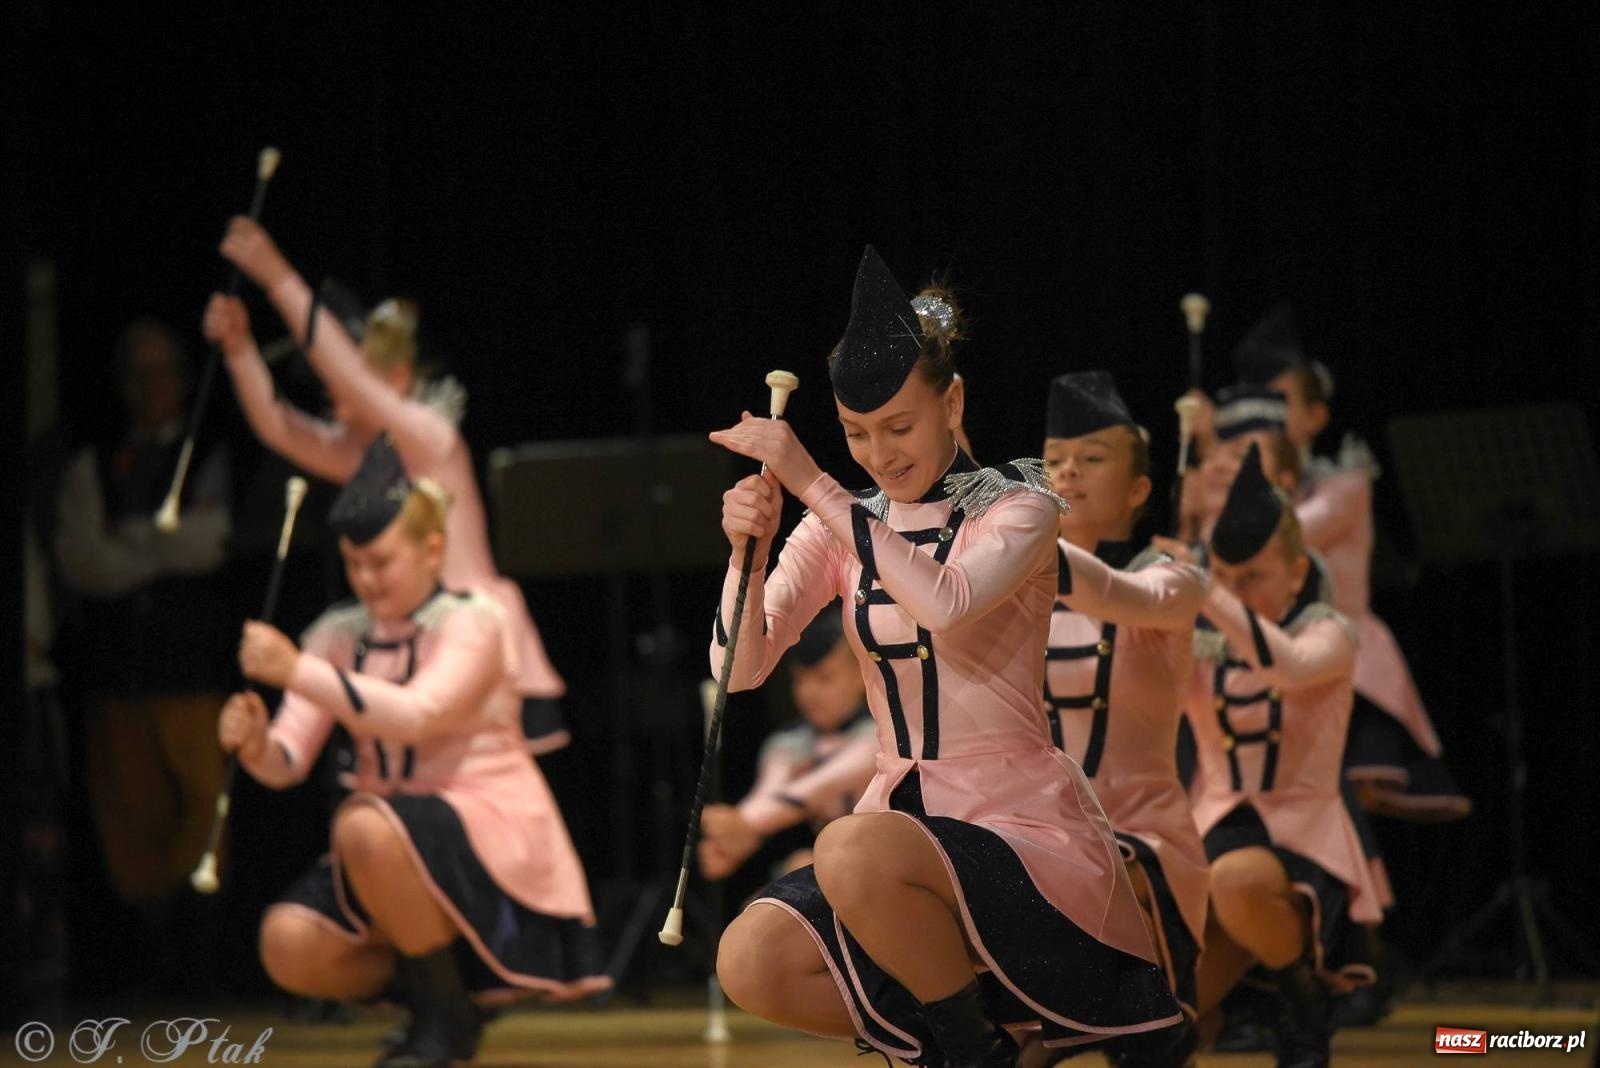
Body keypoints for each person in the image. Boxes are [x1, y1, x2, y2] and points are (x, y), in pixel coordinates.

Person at [706, 247, 1181, 1067]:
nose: (880, 455)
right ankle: (972, 1049)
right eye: (856, 433)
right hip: (898, 826)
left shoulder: (1021, 506)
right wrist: (743, 555)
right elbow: (738, 671)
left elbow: (947, 601)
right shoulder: (836, 523)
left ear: (952, 401)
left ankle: (968, 1055)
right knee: (750, 959)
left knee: (851, 846)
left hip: (1015, 823)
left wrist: (814, 481)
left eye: (900, 427)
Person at [223, 443, 608, 1067]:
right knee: (287, 943)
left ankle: (443, 1022)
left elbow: (418, 715)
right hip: (382, 843)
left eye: (381, 562)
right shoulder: (336, 633)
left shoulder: (475, 622)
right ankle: (443, 1002)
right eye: (353, 564)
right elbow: (288, 761)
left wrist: (296, 671)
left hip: (482, 822)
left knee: (363, 823)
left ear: (433, 551)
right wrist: (256, 742)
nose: (366, 579)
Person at [204, 217, 568, 755]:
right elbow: (279, 428)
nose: (339, 406)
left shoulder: (432, 438)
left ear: (398, 378)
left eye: (345, 389)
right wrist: (239, 350)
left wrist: (278, 277)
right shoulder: (365, 456)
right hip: (409, 638)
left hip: (473, 637)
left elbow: (349, 377)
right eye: (330, 395)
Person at [1184, 444, 1382, 1068]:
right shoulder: (1201, 641)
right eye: (1225, 575)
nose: (1235, 591)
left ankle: (1302, 999)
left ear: (1297, 574)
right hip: (1216, 826)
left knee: (1237, 882)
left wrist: (1206, 589)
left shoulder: (1329, 633)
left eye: (1253, 578)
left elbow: (1287, 666)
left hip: (1303, 836)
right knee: (1166, 1027)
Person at [1232, 305, 1468, 823]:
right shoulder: (1240, 494)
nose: (1266, 414)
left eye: (1280, 401)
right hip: (1278, 659)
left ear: (1316, 416)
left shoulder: (1345, 486)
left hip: (1348, 658)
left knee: (1343, 802)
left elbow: (1278, 539)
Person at [53, 318, 232, 990]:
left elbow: (209, 542)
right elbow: (82, 559)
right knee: (131, 818)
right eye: (139, 373)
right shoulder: (94, 462)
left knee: (205, 805)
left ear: (183, 380)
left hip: (192, 669)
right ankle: (154, 959)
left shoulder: (207, 452)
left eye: (164, 371)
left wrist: (131, 540)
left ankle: (200, 956)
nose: (152, 386)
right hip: (118, 672)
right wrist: (158, 547)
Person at [1038, 371, 1211, 1064]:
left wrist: (1013, 534)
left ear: (1139, 490)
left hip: (1144, 836)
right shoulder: (1013, 586)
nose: (1067, 471)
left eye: (1091, 457)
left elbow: (1111, 592)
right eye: (1054, 458)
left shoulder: (1172, 580)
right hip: (1035, 832)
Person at [698, 609, 877, 882]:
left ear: (860, 673)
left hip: (887, 861)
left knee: (807, 865)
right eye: (799, 679)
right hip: (835, 862)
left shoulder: (880, 737)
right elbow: (771, 793)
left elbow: (819, 786)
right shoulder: (788, 742)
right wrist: (734, 837)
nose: (808, 692)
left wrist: (744, 823)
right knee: (799, 867)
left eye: (824, 677)